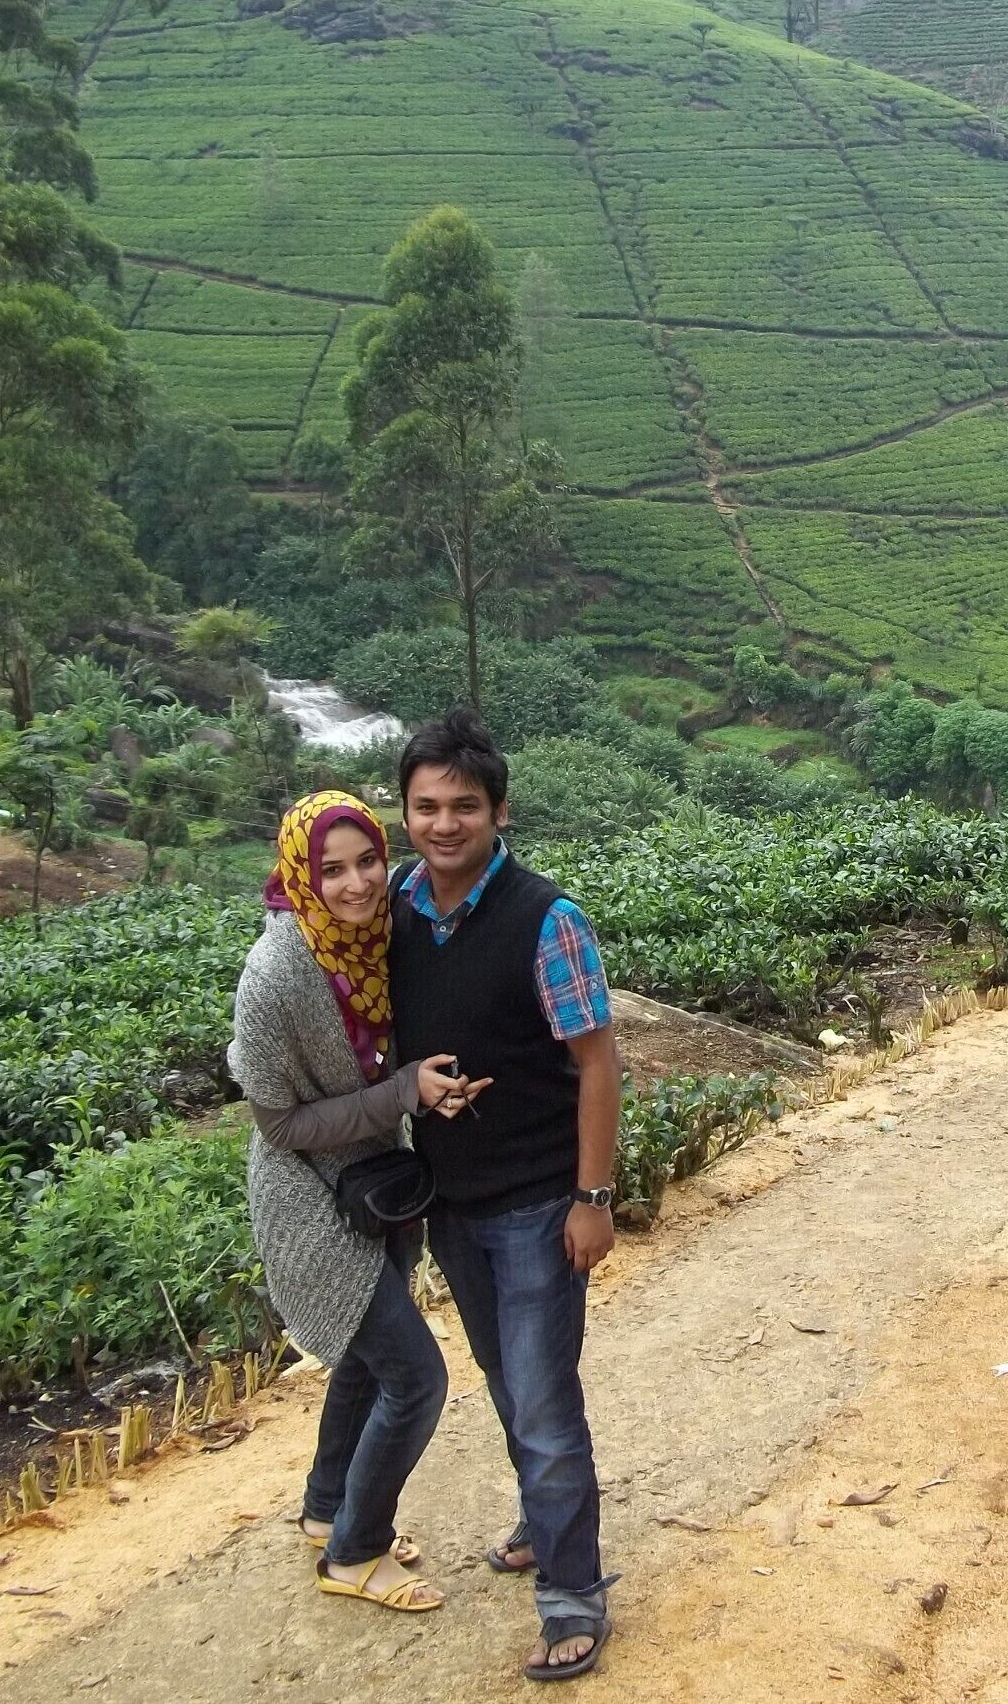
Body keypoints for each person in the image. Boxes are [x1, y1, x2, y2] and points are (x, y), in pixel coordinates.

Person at [389, 710, 622, 1682]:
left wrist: (592, 1196)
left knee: (543, 1400)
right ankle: (541, 1517)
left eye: (465, 807)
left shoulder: (547, 918)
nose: (444, 825)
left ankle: (573, 1595)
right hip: (453, 1201)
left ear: (499, 812)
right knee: (504, 1377)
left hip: (535, 1202)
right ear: (405, 813)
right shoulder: (397, 904)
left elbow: (599, 1063)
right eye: (426, 807)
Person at [232, 790, 485, 1613]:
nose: (355, 884)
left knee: (365, 1360)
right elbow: (279, 1123)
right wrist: (401, 1094)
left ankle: (326, 1509)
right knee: (415, 1377)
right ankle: (354, 1551)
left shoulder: (378, 937)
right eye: (331, 870)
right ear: (299, 876)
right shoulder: (275, 975)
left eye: (368, 861)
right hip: (307, 1198)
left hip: (378, 1181)